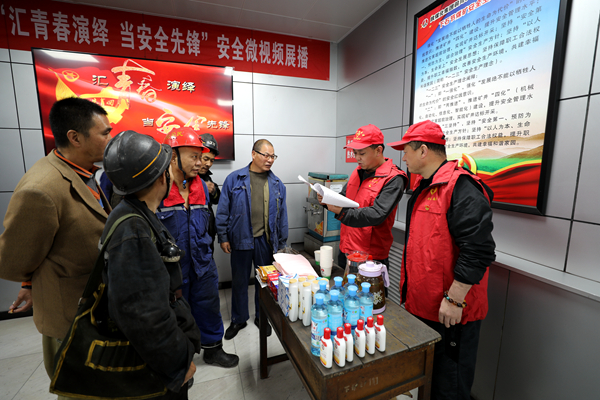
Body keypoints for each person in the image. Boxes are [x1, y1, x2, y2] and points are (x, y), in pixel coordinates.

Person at [0, 97, 112, 382]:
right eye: (104, 133)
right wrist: (33, 282)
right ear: (75, 137)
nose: (110, 139)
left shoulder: (82, 171)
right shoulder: (41, 189)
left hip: (93, 310)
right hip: (69, 317)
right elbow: (13, 260)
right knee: (77, 388)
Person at [387, 120, 496, 400]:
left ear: (423, 150)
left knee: (449, 388)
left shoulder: (461, 187)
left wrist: (455, 299)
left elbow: (479, 249)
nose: (403, 157)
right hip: (424, 309)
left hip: (450, 314)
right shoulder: (425, 187)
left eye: (406, 151)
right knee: (428, 384)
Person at [102, 130, 201, 398]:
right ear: (160, 177)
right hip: (159, 369)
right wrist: (178, 366)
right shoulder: (133, 229)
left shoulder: (137, 214)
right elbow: (144, 315)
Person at [158, 128, 238, 368]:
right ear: (173, 156)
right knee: (176, 316)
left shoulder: (202, 186)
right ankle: (181, 363)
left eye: (200, 156)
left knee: (209, 307)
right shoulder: (157, 188)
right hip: (172, 270)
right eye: (193, 157)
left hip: (202, 263)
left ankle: (213, 350)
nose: (200, 162)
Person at [216, 139, 288, 339]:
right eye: (266, 155)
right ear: (253, 154)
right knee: (239, 281)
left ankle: (262, 317)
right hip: (240, 237)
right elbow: (223, 210)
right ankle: (238, 319)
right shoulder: (234, 179)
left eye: (273, 156)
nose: (270, 160)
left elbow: (282, 216)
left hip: (266, 241)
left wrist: (282, 243)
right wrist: (223, 236)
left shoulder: (277, 184)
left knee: (264, 282)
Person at [319, 124, 407, 272]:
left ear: (378, 150)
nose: (357, 158)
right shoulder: (358, 171)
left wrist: (341, 212)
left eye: (362, 153)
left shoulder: (393, 178)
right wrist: (327, 199)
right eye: (355, 153)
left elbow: (377, 214)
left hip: (370, 257)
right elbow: (344, 197)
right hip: (346, 248)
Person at [199, 133, 221, 249]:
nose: (208, 164)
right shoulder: (182, 177)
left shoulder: (206, 176)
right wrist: (200, 187)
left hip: (207, 234)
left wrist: (213, 191)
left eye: (212, 160)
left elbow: (217, 199)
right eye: (205, 159)